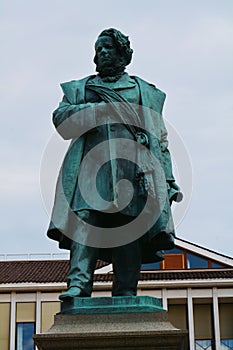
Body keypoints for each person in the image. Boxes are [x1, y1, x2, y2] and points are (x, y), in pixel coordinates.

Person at [47, 28, 181, 300]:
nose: (102, 53)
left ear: (123, 54)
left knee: (128, 227)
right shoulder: (81, 89)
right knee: (84, 220)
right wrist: (97, 110)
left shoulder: (144, 92)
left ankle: (125, 291)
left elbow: (160, 140)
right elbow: (62, 121)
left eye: (108, 48)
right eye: (98, 49)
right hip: (90, 167)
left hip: (132, 168)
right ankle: (78, 285)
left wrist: (168, 178)